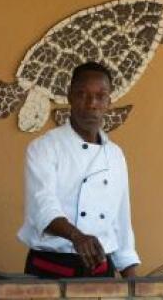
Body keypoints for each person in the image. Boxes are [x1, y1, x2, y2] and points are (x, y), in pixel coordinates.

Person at [17, 62, 140, 279]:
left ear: (109, 102)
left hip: (102, 272)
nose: (91, 103)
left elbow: (122, 223)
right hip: (52, 270)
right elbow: (43, 206)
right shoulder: (44, 148)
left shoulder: (115, 155)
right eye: (82, 94)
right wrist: (77, 237)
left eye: (100, 96)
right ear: (70, 97)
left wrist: (135, 281)